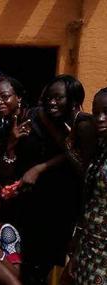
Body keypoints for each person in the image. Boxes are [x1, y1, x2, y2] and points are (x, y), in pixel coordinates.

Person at [13, 75, 96, 284]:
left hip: (68, 205)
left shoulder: (83, 124)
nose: (52, 102)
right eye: (49, 97)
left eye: (59, 98)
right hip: (37, 203)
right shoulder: (37, 117)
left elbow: (82, 166)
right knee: (32, 264)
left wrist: (40, 168)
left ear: (74, 100)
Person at [66, 87, 107, 284]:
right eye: (96, 112)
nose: (100, 118)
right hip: (89, 248)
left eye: (106, 112)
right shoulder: (99, 150)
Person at [0, 77, 31, 183]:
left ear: (18, 97)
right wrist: (11, 145)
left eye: (5, 96)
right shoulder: (1, 127)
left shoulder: (34, 118)